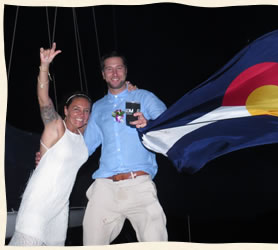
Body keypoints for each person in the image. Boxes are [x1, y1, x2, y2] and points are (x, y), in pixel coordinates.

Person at [9, 43, 92, 246]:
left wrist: (128, 94)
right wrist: (44, 66)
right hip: (38, 202)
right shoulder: (56, 126)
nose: (81, 114)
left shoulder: (83, 135)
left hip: (60, 207)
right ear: (65, 110)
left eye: (86, 110)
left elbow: (115, 118)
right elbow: (43, 99)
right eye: (76, 109)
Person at [82, 51, 168, 245]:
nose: (114, 73)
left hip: (139, 185)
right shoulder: (98, 107)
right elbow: (84, 148)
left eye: (119, 68)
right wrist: (50, 155)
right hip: (105, 188)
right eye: (109, 69)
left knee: (157, 243)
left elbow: (168, 125)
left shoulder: (143, 97)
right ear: (103, 74)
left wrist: (149, 124)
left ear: (126, 72)